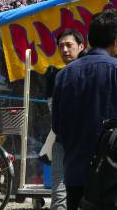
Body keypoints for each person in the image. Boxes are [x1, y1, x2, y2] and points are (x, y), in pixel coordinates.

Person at [51, 10, 117, 210]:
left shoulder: (63, 75)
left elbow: (57, 125)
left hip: (75, 171)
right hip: (115, 173)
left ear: (88, 38)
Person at [45, 28, 85, 210]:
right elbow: (53, 113)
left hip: (87, 143)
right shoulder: (55, 75)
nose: (65, 50)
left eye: (69, 45)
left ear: (81, 46)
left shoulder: (90, 73)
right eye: (61, 46)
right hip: (61, 142)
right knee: (59, 194)